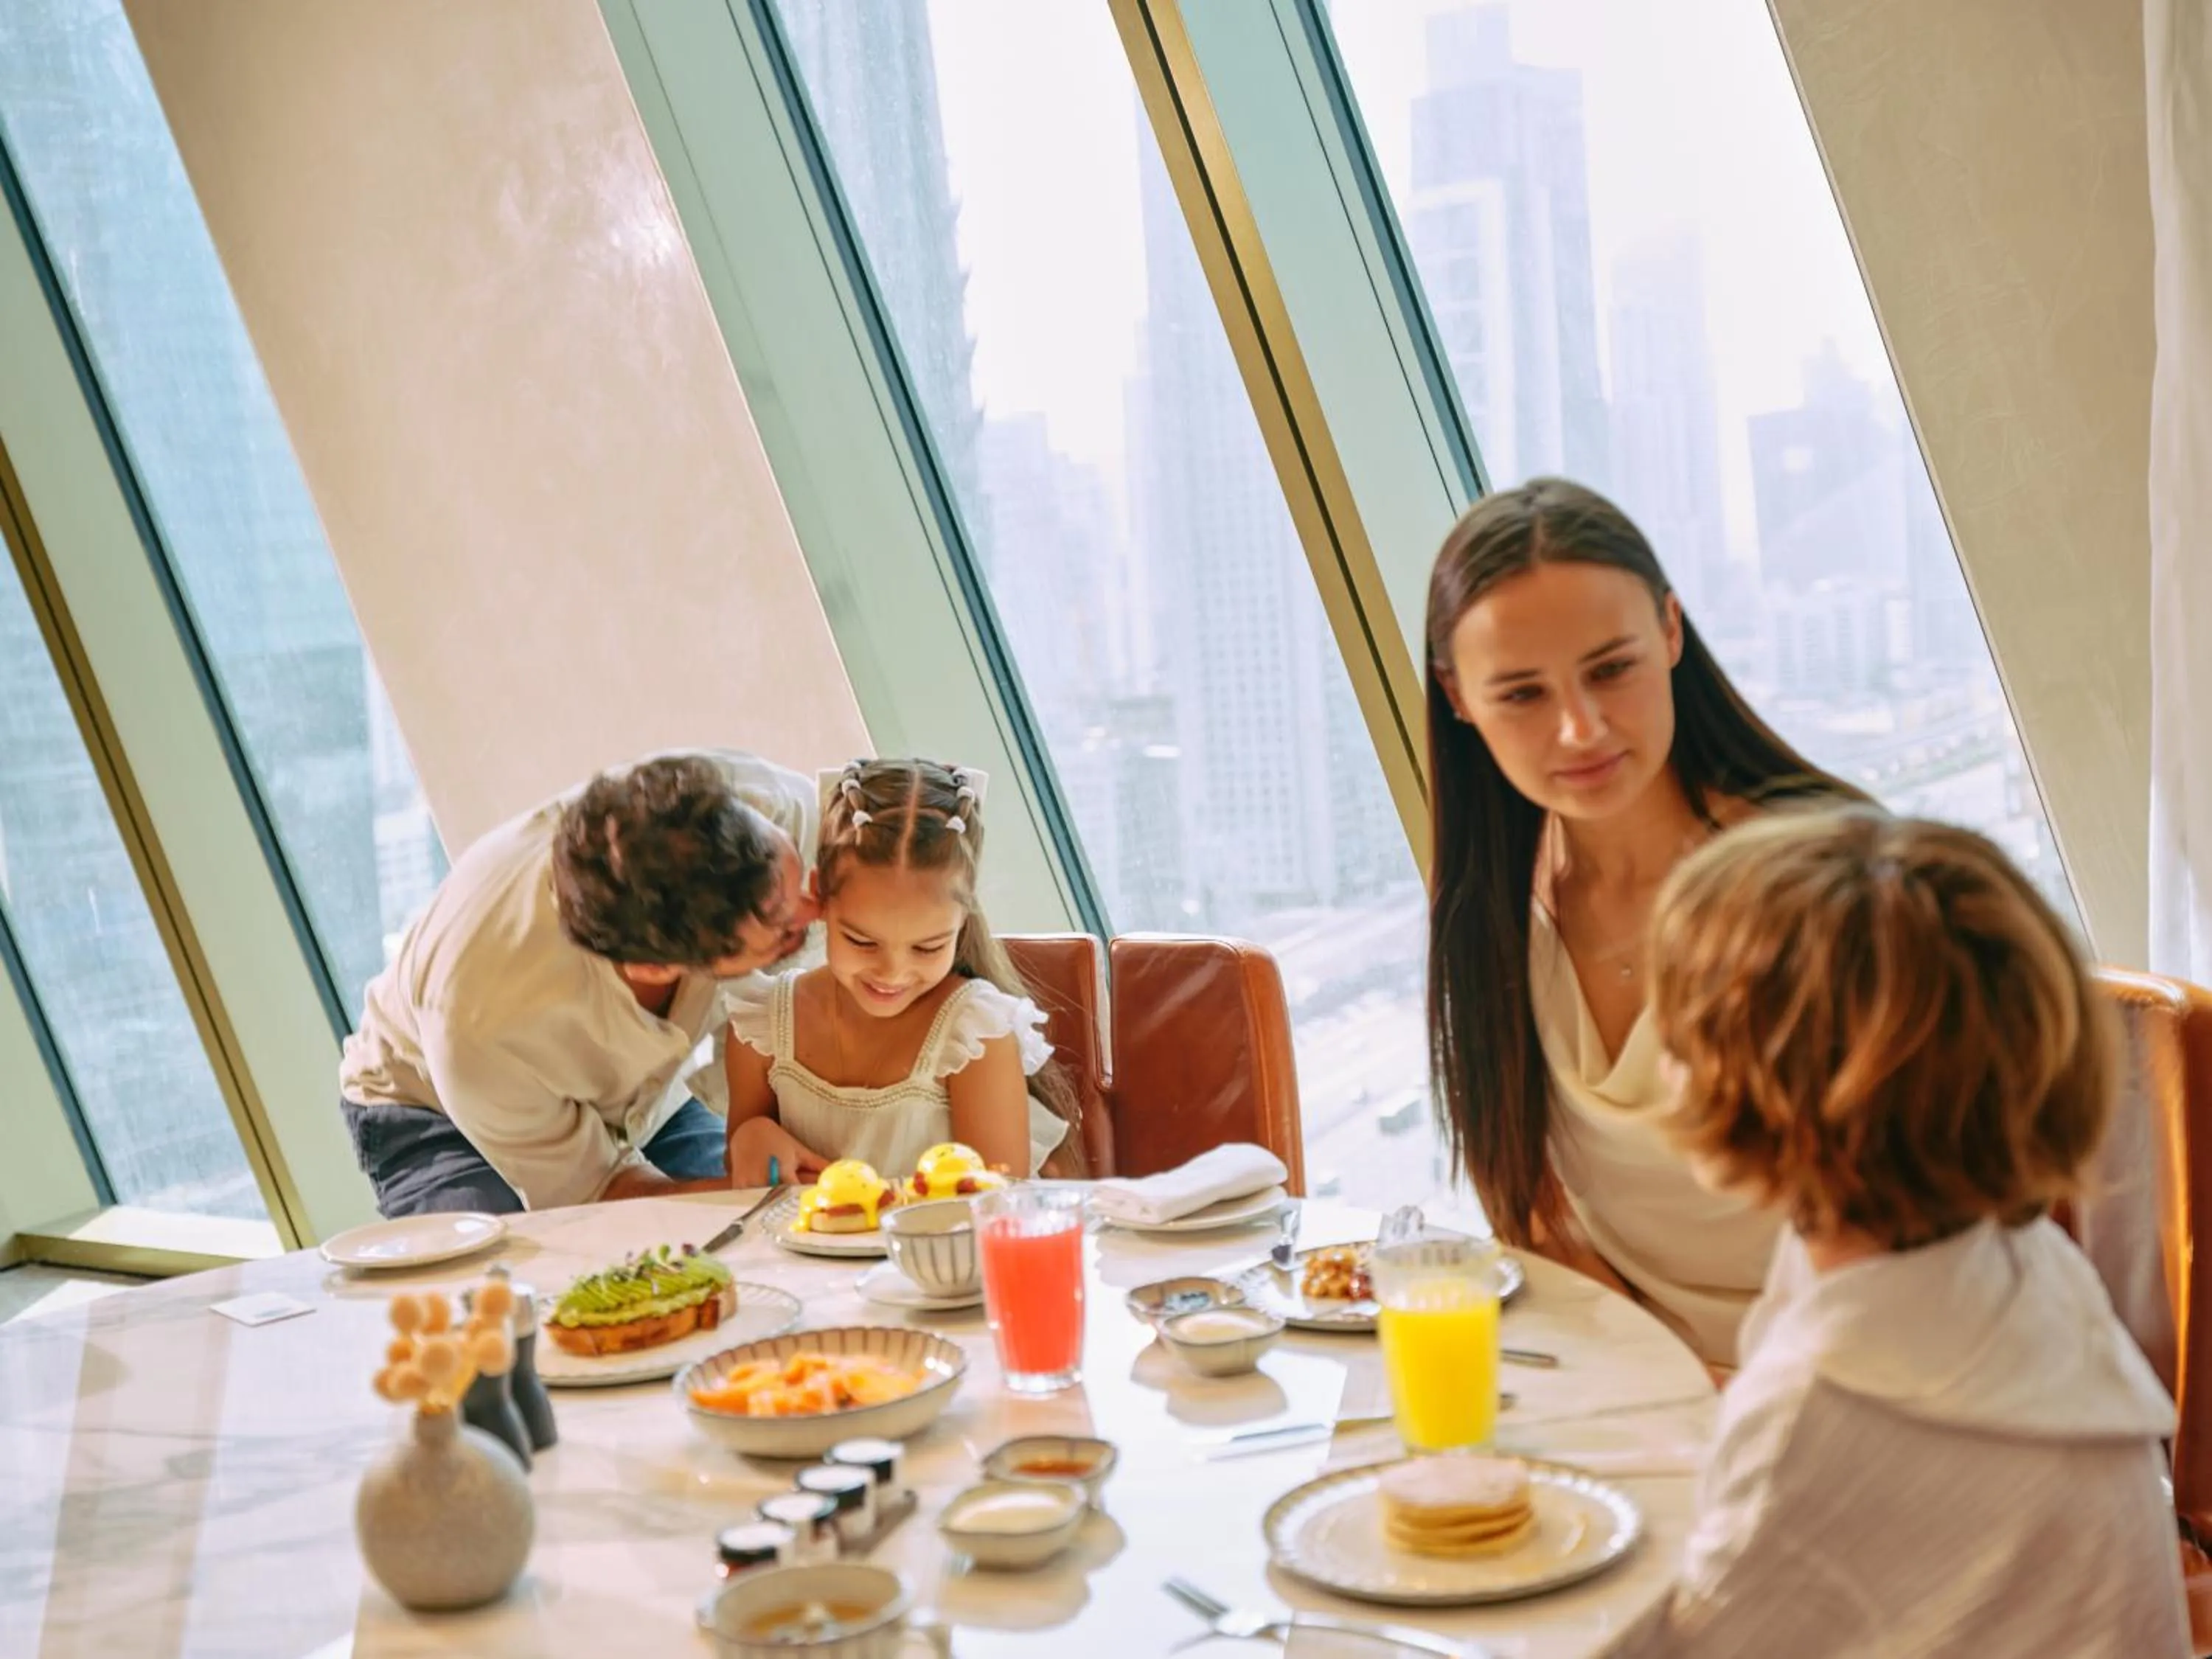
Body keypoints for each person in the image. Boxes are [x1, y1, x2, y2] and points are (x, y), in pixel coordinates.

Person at [1604, 807, 2187, 1656]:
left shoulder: (1820, 1409)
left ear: (1784, 1099)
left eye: (1685, 1035)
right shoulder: (2022, 1260)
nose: (1663, 1062)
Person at [1425, 477, 1860, 1366]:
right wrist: (1664, 1386)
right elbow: (1534, 1214)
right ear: (1458, 697)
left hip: (1868, 1374)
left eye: (1610, 670)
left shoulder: (1821, 886)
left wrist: (1742, 1407)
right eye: (1523, 694)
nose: (1580, 730)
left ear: (1670, 631)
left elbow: (1929, 1227)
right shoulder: (1493, 906)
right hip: (1643, 1376)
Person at [340, 750, 820, 1217]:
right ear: (652, 968)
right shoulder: (482, 1022)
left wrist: (755, 1131)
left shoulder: (759, 802)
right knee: (525, 1267)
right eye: (783, 927)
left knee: (759, 1228)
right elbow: (595, 1194)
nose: (813, 909)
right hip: (431, 1110)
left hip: (641, 1098)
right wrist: (759, 1194)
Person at [722, 758, 1082, 1186]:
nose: (892, 973)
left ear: (963, 919)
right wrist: (750, 1136)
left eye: (928, 947)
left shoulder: (974, 1036)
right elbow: (745, 1184)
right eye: (862, 941)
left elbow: (996, 1206)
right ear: (819, 895)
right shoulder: (763, 1025)